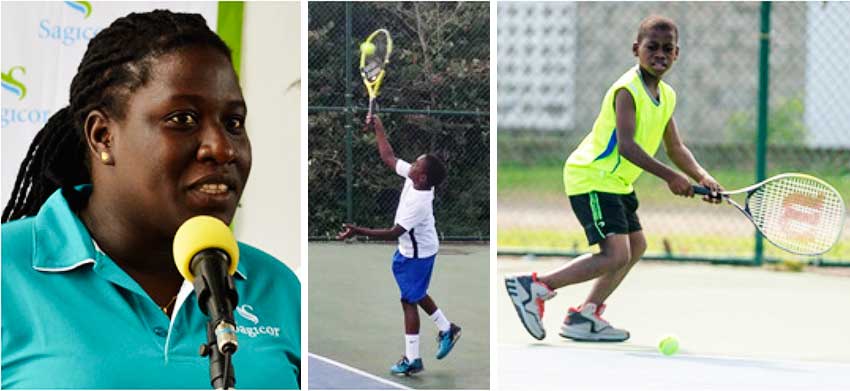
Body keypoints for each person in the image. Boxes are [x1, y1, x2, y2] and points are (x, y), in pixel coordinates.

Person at [1, 10, 300, 389]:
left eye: (234, 122)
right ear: (103, 136)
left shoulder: (277, 287)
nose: (222, 148)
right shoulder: (7, 271)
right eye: (182, 119)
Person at [505, 15, 724, 342]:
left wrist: (703, 177)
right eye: (652, 47)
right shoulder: (627, 90)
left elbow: (675, 147)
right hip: (592, 175)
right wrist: (670, 178)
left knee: (635, 247)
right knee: (615, 254)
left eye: (668, 49)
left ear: (677, 54)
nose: (660, 54)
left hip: (616, 182)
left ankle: (584, 316)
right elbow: (626, 146)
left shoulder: (667, 96)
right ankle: (535, 287)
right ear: (636, 49)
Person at [337, 114, 460, 376]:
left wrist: (358, 231)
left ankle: (412, 359)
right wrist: (378, 127)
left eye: (416, 164)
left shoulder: (420, 201)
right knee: (416, 293)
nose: (411, 164)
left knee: (408, 301)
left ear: (422, 178)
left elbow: (393, 232)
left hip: (419, 255)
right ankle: (447, 327)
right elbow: (388, 157)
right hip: (411, 251)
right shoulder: (415, 177)